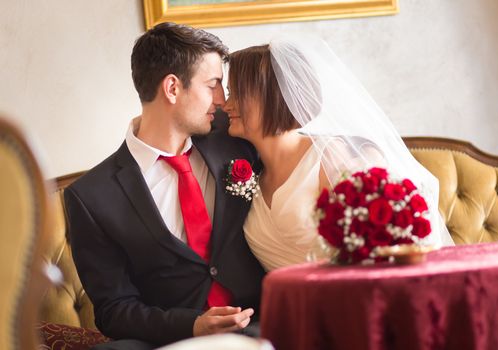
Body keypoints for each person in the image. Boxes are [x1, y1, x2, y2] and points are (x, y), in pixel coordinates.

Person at [64, 23, 266, 350]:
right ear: (172, 88)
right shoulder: (90, 197)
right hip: (176, 339)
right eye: (213, 85)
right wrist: (193, 325)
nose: (223, 100)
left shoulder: (236, 138)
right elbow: (114, 309)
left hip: (260, 322)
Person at [223, 38, 455, 272]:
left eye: (237, 94)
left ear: (271, 96)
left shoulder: (332, 157)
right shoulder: (247, 173)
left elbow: (383, 248)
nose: (226, 105)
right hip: (285, 305)